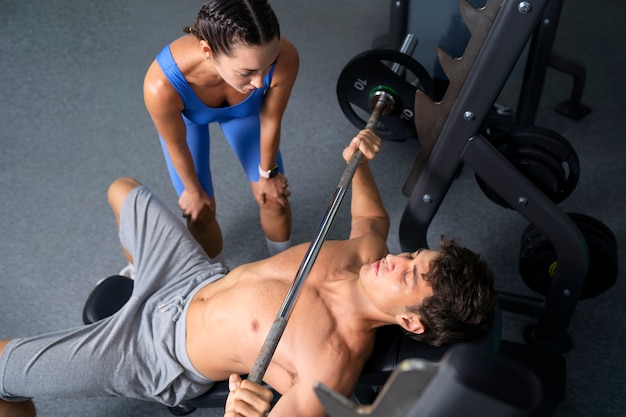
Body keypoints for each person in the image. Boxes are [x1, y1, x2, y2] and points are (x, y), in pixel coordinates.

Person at [0, 130, 497, 417]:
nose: (400, 260)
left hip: (155, 352)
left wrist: (245, 411)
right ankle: (137, 270)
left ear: (411, 322)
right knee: (122, 188)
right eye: (415, 256)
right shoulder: (365, 256)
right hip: (190, 277)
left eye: (409, 275)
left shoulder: (331, 366)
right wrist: (357, 162)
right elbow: (371, 221)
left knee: (2, 373)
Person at [143, 0, 299, 268]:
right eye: (246, 72)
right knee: (200, 213)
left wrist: (268, 174)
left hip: (246, 115)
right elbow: (175, 143)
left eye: (268, 65)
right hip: (190, 121)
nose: (261, 82)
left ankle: (285, 272)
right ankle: (218, 280)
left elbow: (271, 118)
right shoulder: (161, 85)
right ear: (208, 50)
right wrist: (192, 190)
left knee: (274, 199)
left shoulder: (285, 57)